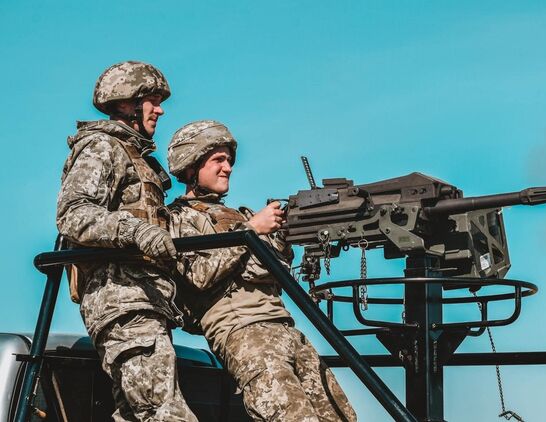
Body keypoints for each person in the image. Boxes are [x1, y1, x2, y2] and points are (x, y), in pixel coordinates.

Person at [167, 120, 357, 422]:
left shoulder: (238, 215)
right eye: (218, 160)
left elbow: (273, 273)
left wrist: (282, 238)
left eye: (229, 160)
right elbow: (197, 276)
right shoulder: (178, 219)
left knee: (341, 416)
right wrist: (250, 231)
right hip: (244, 333)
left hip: (285, 328)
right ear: (191, 167)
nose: (227, 167)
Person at [56, 61, 197, 422]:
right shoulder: (102, 146)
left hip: (144, 299)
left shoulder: (137, 157)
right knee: (165, 414)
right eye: (152, 101)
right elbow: (73, 214)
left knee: (138, 414)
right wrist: (136, 231)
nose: (160, 110)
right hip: (120, 297)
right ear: (126, 103)